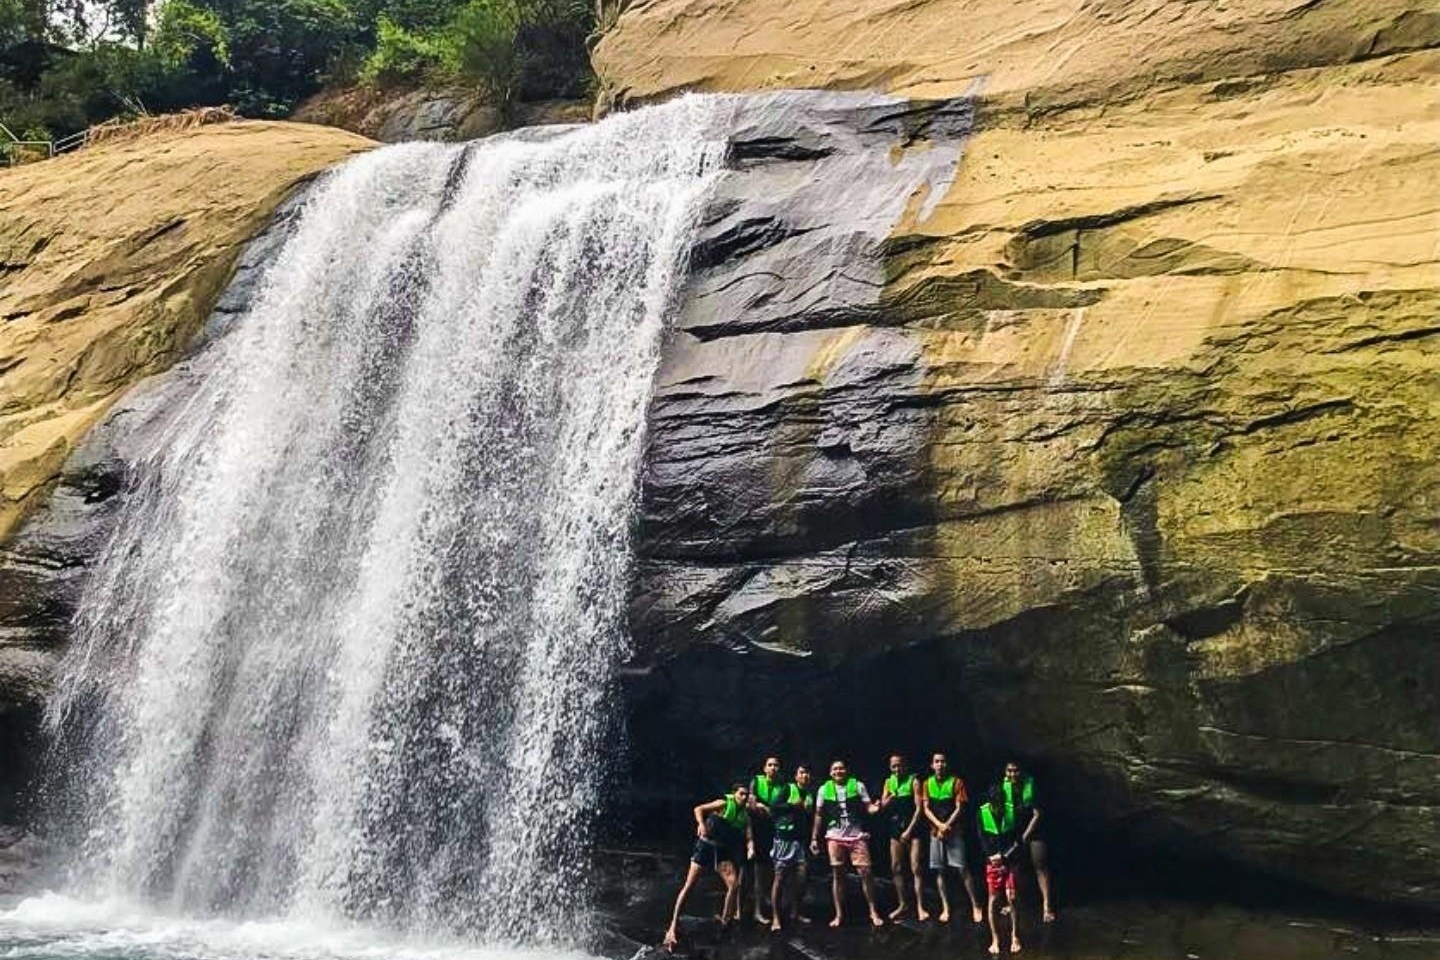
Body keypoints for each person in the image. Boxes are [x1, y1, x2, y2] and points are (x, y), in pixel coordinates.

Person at [663, 783, 755, 949]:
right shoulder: (723, 803)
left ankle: (725, 924)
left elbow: (749, 836)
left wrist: (750, 848)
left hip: (721, 851)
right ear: (734, 794)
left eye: (746, 795)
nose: (744, 797)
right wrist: (701, 824)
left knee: (734, 885)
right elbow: (698, 809)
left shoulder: (745, 816)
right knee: (689, 885)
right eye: (741, 794)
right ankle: (672, 926)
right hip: (705, 846)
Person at [809, 759, 884, 928]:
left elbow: (869, 807)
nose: (838, 771)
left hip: (856, 836)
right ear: (830, 772)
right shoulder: (823, 789)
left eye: (841, 768)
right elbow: (819, 814)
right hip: (835, 837)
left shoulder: (858, 786)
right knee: (838, 874)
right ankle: (839, 914)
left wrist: (877, 807)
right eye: (834, 769)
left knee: (866, 872)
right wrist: (814, 838)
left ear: (846, 770)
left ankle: (873, 911)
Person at [921, 752, 983, 923]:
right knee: (940, 871)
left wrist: (947, 825)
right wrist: (939, 826)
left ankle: (976, 905)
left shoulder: (956, 782)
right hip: (936, 832)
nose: (939, 764)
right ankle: (946, 907)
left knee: (962, 869)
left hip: (954, 831)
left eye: (942, 761)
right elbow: (925, 808)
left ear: (946, 764)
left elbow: (959, 807)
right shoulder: (927, 783)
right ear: (932, 765)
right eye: (936, 762)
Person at [1002, 761, 1054, 922]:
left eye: (1015, 771)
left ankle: (1047, 906)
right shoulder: (1003, 788)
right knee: (1014, 868)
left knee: (1040, 865)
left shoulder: (1031, 787)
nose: (1012, 774)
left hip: (1034, 831)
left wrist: (1025, 836)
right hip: (1015, 832)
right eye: (1009, 771)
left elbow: (1037, 814)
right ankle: (1012, 903)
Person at [764, 764, 814, 931]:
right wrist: (792, 806)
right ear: (796, 776)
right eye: (802, 772)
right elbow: (773, 807)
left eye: (807, 773)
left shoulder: (809, 794)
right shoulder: (787, 789)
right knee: (779, 878)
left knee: (802, 877)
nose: (805, 775)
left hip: (799, 842)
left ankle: (795, 912)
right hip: (783, 840)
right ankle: (776, 918)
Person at [879, 753, 927, 920]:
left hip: (913, 828)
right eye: (894, 766)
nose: (897, 769)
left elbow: (919, 809)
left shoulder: (914, 781)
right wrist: (888, 799)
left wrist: (909, 831)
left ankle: (920, 906)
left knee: (916, 867)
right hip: (895, 828)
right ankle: (902, 904)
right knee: (896, 867)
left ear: (905, 766)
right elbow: (882, 805)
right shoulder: (888, 782)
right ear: (890, 767)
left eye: (899, 765)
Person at [978, 784, 1023, 954]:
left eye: (1001, 804)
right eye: (995, 804)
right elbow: (981, 838)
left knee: (1012, 897)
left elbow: (1018, 840)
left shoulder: (1011, 811)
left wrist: (1004, 856)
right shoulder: (982, 812)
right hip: (992, 862)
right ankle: (995, 938)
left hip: (1011, 860)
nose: (999, 808)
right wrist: (991, 856)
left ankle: (1015, 936)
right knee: (994, 899)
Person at [747, 756, 784, 923]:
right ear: (764, 768)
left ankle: (770, 902)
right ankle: (757, 910)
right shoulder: (756, 781)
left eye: (776, 765)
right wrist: (761, 806)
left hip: (774, 832)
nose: (773, 768)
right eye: (770, 765)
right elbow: (751, 802)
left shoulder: (782, 786)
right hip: (756, 832)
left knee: (773, 869)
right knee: (758, 872)